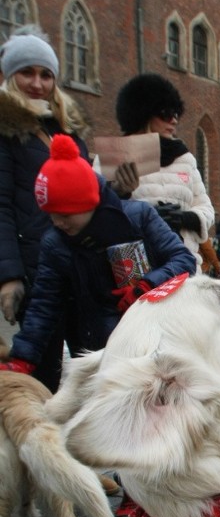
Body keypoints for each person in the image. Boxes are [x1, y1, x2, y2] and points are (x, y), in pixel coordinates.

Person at [0, 133, 196, 373]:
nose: (57, 223)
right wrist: (23, 358)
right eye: (51, 215)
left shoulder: (139, 217)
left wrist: (148, 286)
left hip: (154, 341)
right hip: (99, 352)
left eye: (65, 215)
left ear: (88, 203)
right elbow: (44, 305)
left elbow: (183, 260)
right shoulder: (55, 244)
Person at [0, 27, 90, 391]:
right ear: (10, 77)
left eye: (46, 75)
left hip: (82, 265)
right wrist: (9, 276)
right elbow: (1, 207)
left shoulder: (67, 130)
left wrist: (117, 187)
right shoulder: (5, 132)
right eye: (27, 73)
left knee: (94, 364)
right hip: (38, 271)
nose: (37, 83)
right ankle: (38, 442)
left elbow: (89, 197)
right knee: (43, 375)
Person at [114, 74, 214, 268]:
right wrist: (121, 194)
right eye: (166, 114)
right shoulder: (116, 155)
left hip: (182, 264)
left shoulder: (185, 158)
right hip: (135, 269)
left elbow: (206, 209)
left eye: (176, 114)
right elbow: (97, 216)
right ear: (144, 113)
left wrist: (185, 218)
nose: (174, 120)